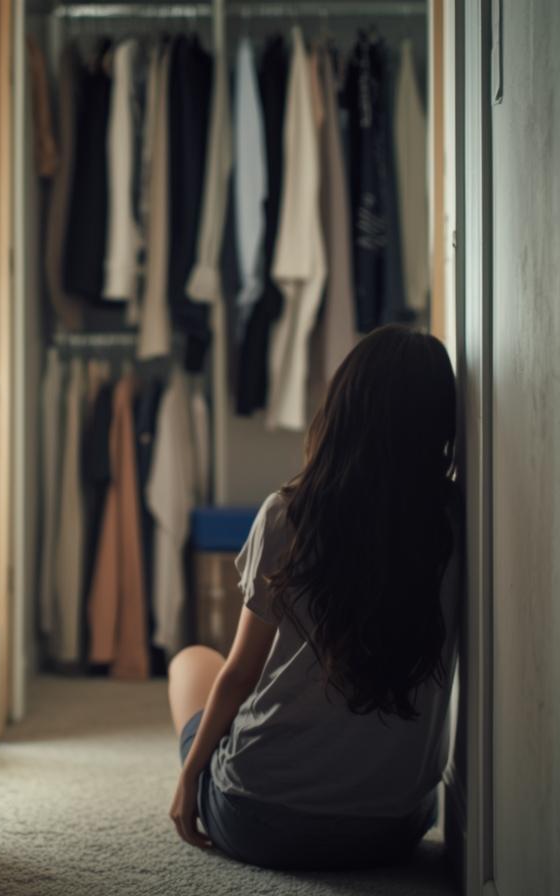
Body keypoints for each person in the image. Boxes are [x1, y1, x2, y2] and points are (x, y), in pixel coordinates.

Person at [166, 324, 463, 870]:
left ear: (341, 409)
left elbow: (240, 674)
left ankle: (200, 768)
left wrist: (189, 782)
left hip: (259, 818)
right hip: (391, 829)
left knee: (194, 662)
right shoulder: (457, 525)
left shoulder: (290, 514)